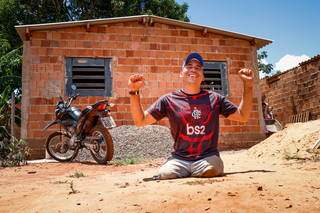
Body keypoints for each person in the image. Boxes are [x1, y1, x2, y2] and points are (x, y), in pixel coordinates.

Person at [128, 52, 254, 180]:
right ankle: (186, 170)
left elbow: (242, 116)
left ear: (203, 76)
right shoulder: (168, 100)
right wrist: (134, 91)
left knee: (212, 168)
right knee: (165, 174)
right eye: (189, 66)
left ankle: (195, 171)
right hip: (179, 159)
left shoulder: (215, 99)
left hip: (208, 157)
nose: (193, 69)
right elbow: (140, 121)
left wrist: (248, 86)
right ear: (181, 73)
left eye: (198, 67)